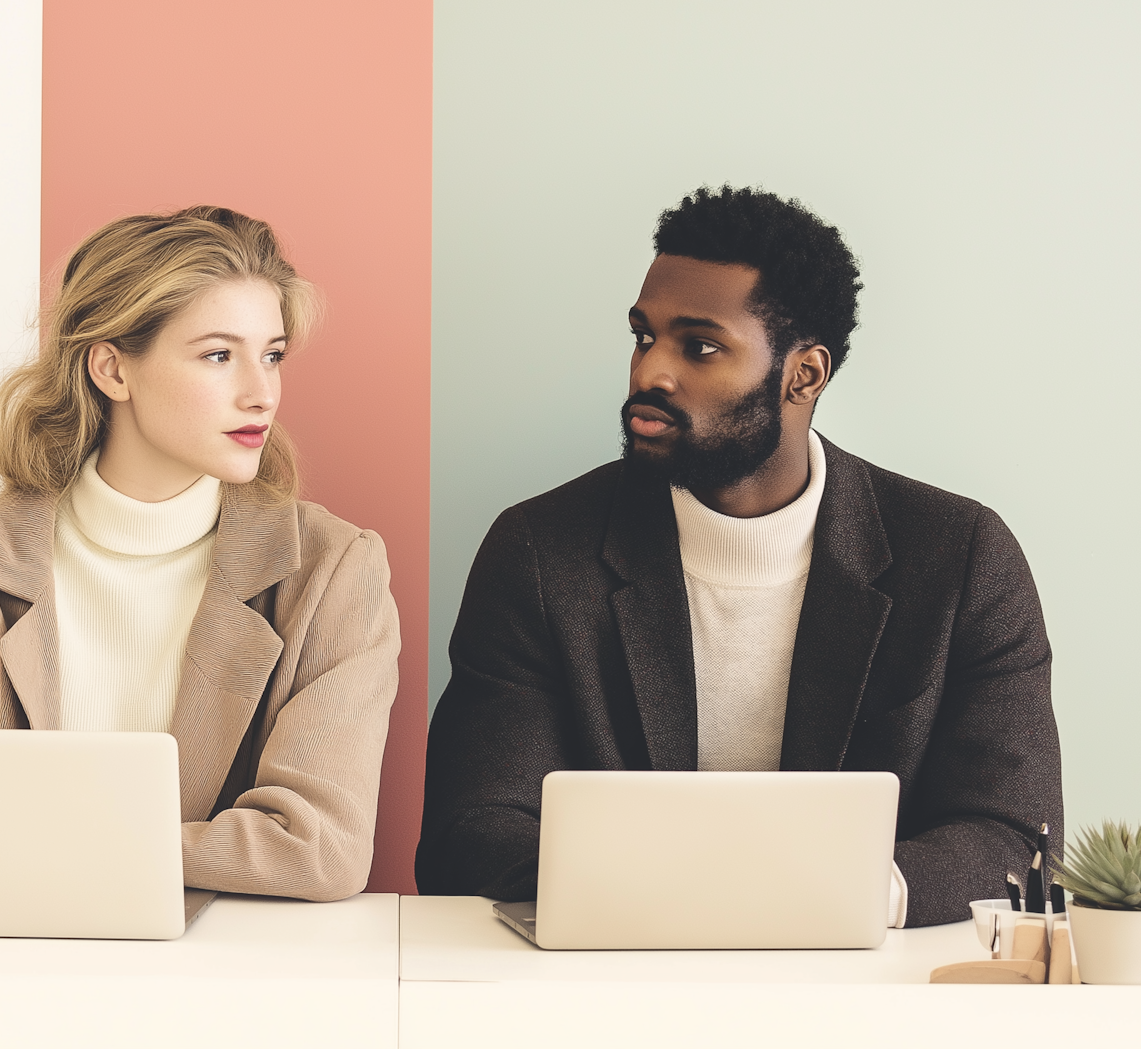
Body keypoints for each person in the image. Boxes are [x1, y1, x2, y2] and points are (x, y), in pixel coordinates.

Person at [416, 186, 1061, 928]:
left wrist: (829, 896)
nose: (650, 373)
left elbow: (1016, 838)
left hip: (867, 997)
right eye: (643, 336)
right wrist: (689, 898)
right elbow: (471, 831)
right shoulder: (540, 551)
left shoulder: (961, 559)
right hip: (613, 983)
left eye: (699, 346)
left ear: (804, 375)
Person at [0, 207, 400, 900]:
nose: (263, 392)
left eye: (273, 354)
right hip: (6, 967)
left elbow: (317, 850)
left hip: (232, 979)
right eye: (219, 355)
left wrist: (33, 843)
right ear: (111, 368)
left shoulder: (333, 570)